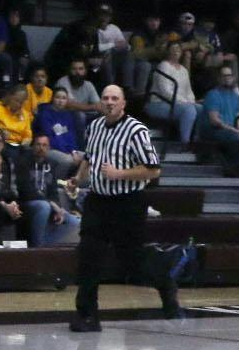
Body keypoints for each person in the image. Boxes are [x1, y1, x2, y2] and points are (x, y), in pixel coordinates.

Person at [68, 84, 178, 332]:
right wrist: (78, 179)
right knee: (88, 255)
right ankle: (87, 315)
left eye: (114, 98)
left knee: (132, 262)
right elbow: (89, 157)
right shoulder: (94, 126)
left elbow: (153, 169)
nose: (109, 102)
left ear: (123, 103)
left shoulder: (136, 130)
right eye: (105, 98)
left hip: (127, 202)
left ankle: (165, 283)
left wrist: (119, 173)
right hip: (97, 200)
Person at [18, 134, 80, 247]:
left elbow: (53, 191)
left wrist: (58, 208)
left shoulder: (51, 164)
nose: (41, 148)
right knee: (43, 206)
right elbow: (26, 191)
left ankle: (42, 245)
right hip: (27, 203)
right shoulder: (23, 163)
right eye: (38, 144)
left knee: (74, 221)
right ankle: (38, 245)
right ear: (33, 146)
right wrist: (51, 204)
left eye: (44, 145)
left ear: (49, 148)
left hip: (47, 204)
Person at [200, 65, 239, 168]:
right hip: (214, 130)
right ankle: (231, 166)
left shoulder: (234, 96)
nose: (227, 77)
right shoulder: (213, 94)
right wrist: (234, 130)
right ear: (219, 78)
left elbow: (238, 116)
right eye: (224, 75)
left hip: (230, 131)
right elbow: (214, 121)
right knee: (236, 138)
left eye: (229, 75)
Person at [145, 43, 199, 144]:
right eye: (173, 49)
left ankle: (197, 140)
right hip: (159, 103)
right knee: (189, 110)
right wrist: (185, 102)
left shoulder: (184, 70)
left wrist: (191, 101)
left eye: (178, 48)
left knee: (200, 109)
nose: (176, 51)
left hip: (180, 103)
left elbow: (188, 91)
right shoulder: (164, 66)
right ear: (168, 51)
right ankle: (185, 143)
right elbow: (165, 91)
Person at [32, 85, 86, 178]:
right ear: (52, 98)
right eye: (58, 97)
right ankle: (55, 183)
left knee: (88, 157)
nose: (60, 101)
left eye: (64, 98)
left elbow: (70, 136)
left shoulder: (67, 115)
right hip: (50, 148)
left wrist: (73, 151)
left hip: (67, 150)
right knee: (67, 161)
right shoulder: (45, 114)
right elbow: (50, 138)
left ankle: (80, 183)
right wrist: (67, 152)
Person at [0, 83, 34, 155]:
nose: (19, 105)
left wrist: (26, 142)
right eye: (17, 101)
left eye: (22, 102)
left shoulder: (25, 114)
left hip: (18, 146)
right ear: (9, 97)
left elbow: (28, 135)